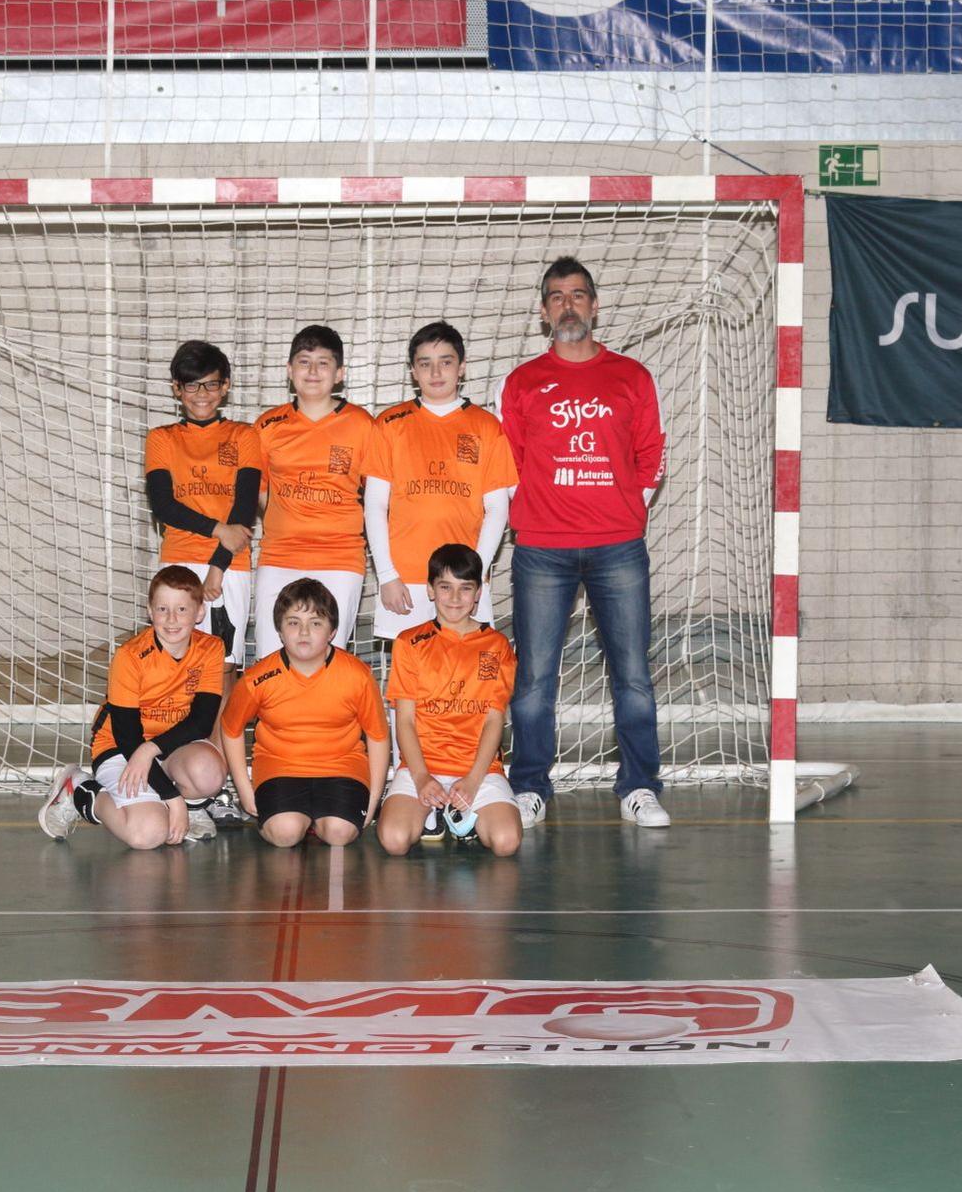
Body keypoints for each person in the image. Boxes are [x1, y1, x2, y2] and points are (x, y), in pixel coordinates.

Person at [496, 255, 670, 829]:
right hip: (542, 548)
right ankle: (529, 787)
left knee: (633, 674)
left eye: (577, 295)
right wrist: (541, 516)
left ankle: (640, 787)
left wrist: (624, 511)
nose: (567, 304)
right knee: (535, 676)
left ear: (594, 306)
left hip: (618, 546)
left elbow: (651, 457)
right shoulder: (522, 382)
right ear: (544, 312)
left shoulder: (632, 377)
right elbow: (512, 463)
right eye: (555, 296)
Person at [38, 567, 228, 848]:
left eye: (182, 609)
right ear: (150, 611)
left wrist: (151, 750)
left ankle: (193, 808)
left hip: (168, 746)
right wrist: (171, 798)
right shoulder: (130, 656)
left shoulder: (211, 649)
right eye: (163, 609)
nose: (172, 619)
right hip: (121, 748)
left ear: (199, 612)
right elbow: (128, 737)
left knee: (209, 772)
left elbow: (201, 723)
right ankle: (78, 789)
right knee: (147, 835)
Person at [365, 321, 517, 640]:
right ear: (413, 371)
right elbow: (375, 506)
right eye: (425, 364)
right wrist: (387, 575)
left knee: (465, 676)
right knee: (410, 675)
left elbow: (497, 509)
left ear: (461, 368)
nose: (436, 373)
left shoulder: (487, 427)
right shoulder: (389, 424)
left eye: (445, 362)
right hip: (406, 579)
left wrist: (473, 577)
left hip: (464, 579)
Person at [218, 577, 390, 849]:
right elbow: (230, 729)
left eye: (316, 623)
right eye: (293, 622)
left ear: (332, 631)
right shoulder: (258, 678)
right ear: (280, 630)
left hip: (341, 765)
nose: (304, 632)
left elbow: (378, 737)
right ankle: (296, 818)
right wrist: (244, 788)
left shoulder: (357, 676)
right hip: (280, 766)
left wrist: (374, 798)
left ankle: (320, 818)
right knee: (285, 834)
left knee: (339, 833)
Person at [377, 544, 521, 857]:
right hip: (423, 765)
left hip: (477, 769)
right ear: (430, 590)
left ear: (479, 593)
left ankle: (463, 816)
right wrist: (421, 777)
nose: (455, 599)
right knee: (394, 840)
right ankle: (432, 811)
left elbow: (495, 719)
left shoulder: (495, 645)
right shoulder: (409, 643)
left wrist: (472, 781)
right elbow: (404, 720)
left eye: (465, 588)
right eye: (445, 587)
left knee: (506, 843)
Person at [251, 324, 377, 660]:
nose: (313, 371)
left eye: (323, 363)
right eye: (304, 362)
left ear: (339, 373)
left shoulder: (362, 424)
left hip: (340, 559)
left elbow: (376, 497)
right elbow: (260, 492)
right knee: (270, 661)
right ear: (290, 371)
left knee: (328, 661)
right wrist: (288, 520)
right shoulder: (267, 426)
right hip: (280, 556)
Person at [143, 340, 262, 674]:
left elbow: (244, 507)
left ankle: (221, 731)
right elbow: (164, 506)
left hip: (229, 566)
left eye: (211, 383)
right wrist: (218, 529)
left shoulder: (244, 436)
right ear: (176, 389)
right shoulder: (161, 438)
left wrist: (217, 568)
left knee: (223, 665)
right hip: (179, 558)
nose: (201, 394)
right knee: (177, 663)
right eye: (191, 385)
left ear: (225, 387)